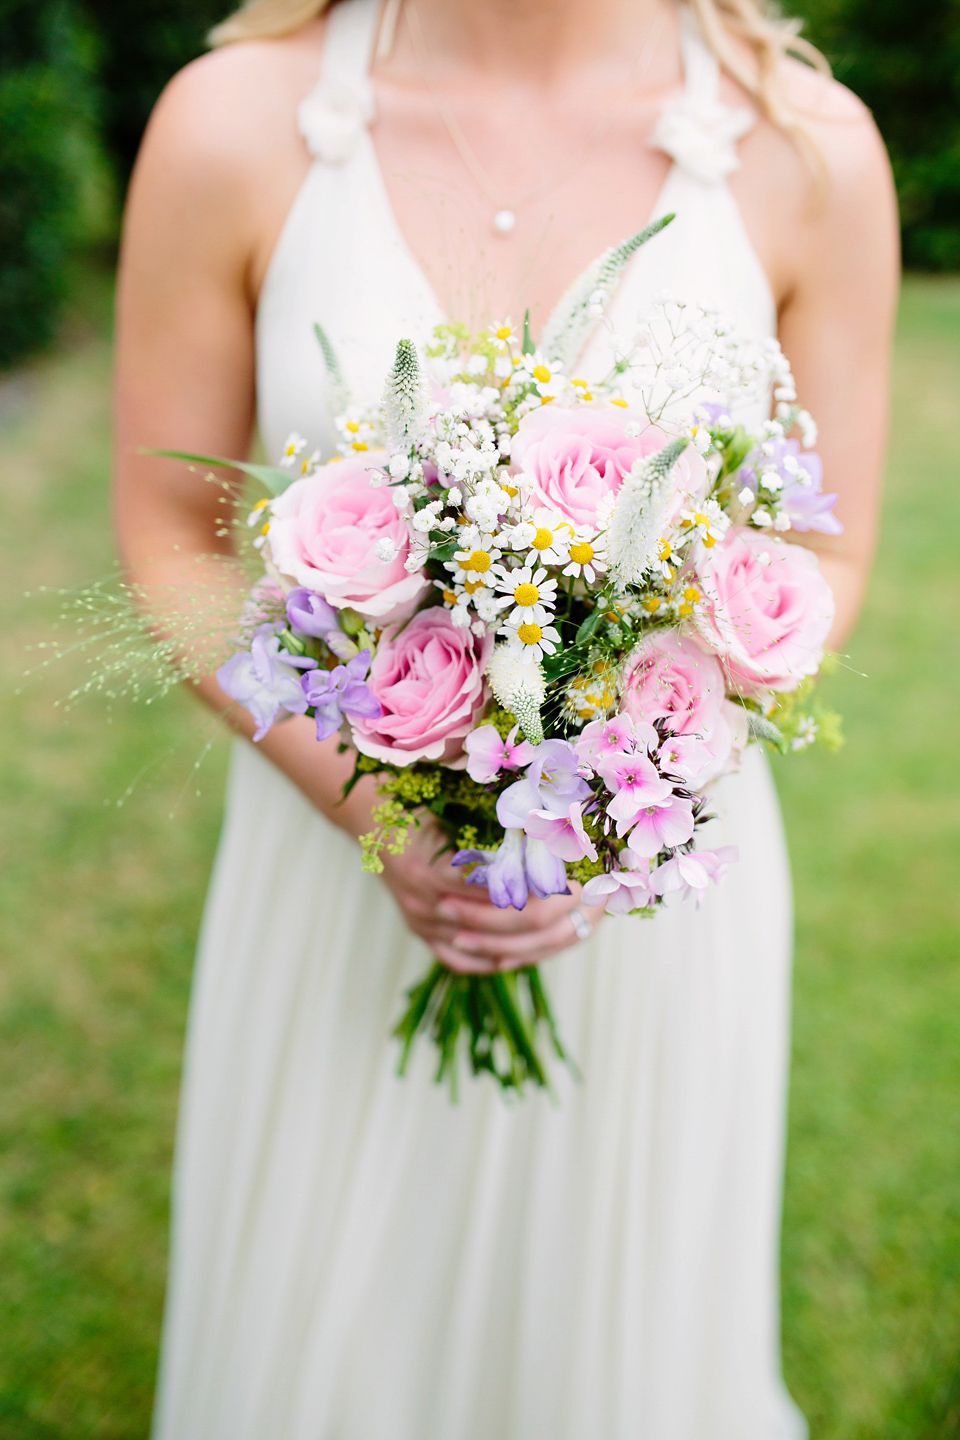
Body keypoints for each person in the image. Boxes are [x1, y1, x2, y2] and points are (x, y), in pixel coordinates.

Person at [113, 0, 898, 1435]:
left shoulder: (806, 148)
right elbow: (170, 537)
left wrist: (625, 766)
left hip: (653, 889)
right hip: (333, 865)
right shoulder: (233, 121)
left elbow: (827, 554)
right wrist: (380, 804)